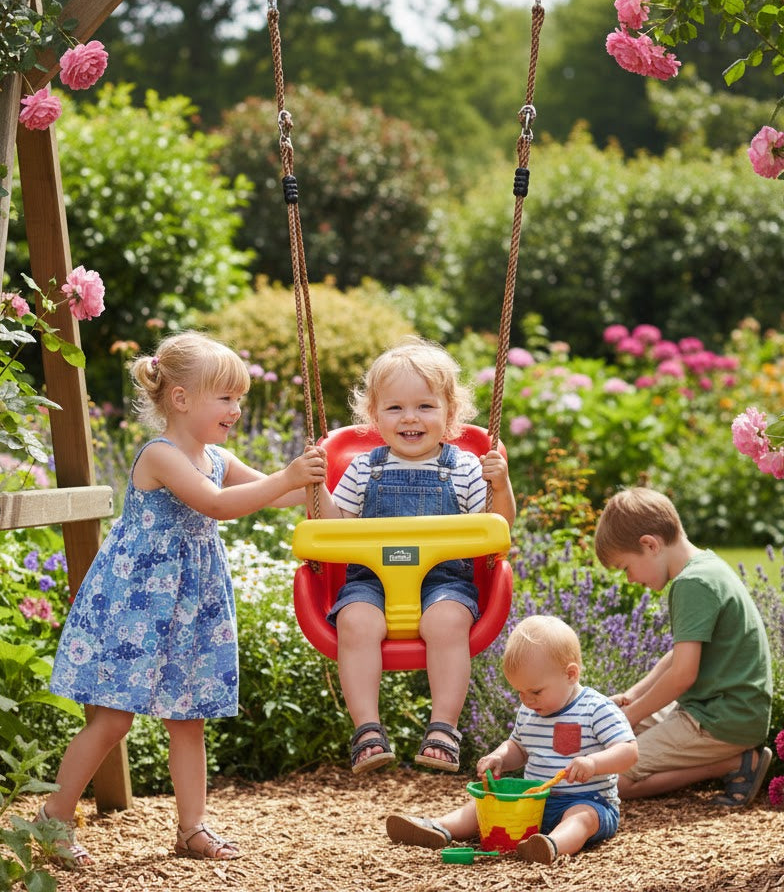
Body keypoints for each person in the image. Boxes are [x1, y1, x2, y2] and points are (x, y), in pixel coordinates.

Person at [39, 332, 326, 867]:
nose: (237, 410)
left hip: (190, 606)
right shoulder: (161, 455)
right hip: (136, 605)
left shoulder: (218, 457)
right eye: (227, 398)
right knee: (113, 719)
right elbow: (216, 504)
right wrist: (287, 476)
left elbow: (279, 494)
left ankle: (192, 829)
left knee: (188, 717)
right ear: (181, 399)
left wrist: (317, 483)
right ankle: (54, 816)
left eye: (239, 399)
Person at [308, 338, 516, 775]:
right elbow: (332, 527)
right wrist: (317, 486)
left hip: (444, 583)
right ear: (374, 416)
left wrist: (500, 486)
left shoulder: (464, 468)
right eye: (395, 408)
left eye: (424, 406)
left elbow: (498, 527)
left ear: (450, 414)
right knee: (355, 622)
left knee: (447, 622)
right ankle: (367, 730)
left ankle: (444, 728)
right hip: (371, 583)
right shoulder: (363, 468)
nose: (410, 418)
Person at [386, 615, 637, 864]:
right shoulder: (530, 710)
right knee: (486, 803)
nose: (526, 700)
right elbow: (518, 747)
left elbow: (628, 751)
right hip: (534, 802)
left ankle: (551, 845)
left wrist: (593, 763)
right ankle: (440, 827)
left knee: (582, 817)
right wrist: (500, 757)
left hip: (589, 801)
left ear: (570, 675)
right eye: (519, 692)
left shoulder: (596, 709)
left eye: (535, 691)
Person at [593, 486, 774, 807]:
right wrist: (632, 697)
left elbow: (682, 676)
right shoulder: (705, 566)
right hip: (717, 708)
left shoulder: (692, 584)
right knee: (604, 744)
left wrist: (631, 715)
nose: (630, 579)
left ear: (650, 545)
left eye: (625, 568)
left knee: (612, 778)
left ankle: (736, 763)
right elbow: (679, 656)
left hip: (723, 720)